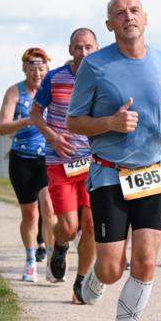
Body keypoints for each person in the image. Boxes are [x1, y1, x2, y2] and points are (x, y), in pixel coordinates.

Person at [67, 0, 161, 321]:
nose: (128, 17)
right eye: (119, 13)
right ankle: (93, 277)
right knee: (110, 269)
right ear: (109, 25)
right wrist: (109, 123)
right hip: (108, 174)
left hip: (153, 172)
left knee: (146, 260)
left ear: (146, 18)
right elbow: (74, 122)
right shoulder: (95, 66)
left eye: (134, 10)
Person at [32, 30, 100, 300]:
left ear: (97, 48)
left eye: (88, 48)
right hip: (61, 162)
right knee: (70, 226)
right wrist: (52, 137)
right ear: (70, 49)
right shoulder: (54, 77)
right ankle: (60, 245)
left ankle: (81, 284)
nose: (83, 53)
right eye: (78, 48)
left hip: (95, 163)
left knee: (92, 225)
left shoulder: (104, 77)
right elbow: (36, 113)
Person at [0, 49, 54, 283]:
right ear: (24, 70)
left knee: (49, 208)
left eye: (41, 69)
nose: (37, 74)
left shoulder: (53, 90)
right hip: (21, 158)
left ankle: (53, 259)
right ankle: (31, 259)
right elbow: (2, 127)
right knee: (30, 215)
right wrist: (29, 120)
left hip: (48, 158)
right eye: (32, 69)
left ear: (47, 70)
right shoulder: (15, 92)